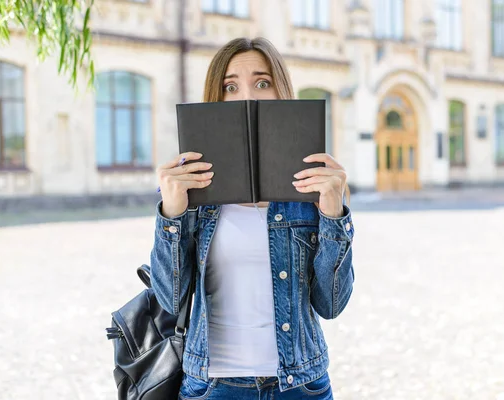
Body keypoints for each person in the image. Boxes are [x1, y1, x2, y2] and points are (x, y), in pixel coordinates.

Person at [150, 37, 355, 400]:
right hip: (213, 387)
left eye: (262, 82)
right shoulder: (194, 190)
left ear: (281, 91)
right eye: (231, 86)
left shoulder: (312, 185)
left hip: (301, 385)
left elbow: (332, 304)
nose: (247, 96)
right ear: (217, 97)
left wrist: (333, 214)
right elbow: (170, 298)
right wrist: (172, 214)